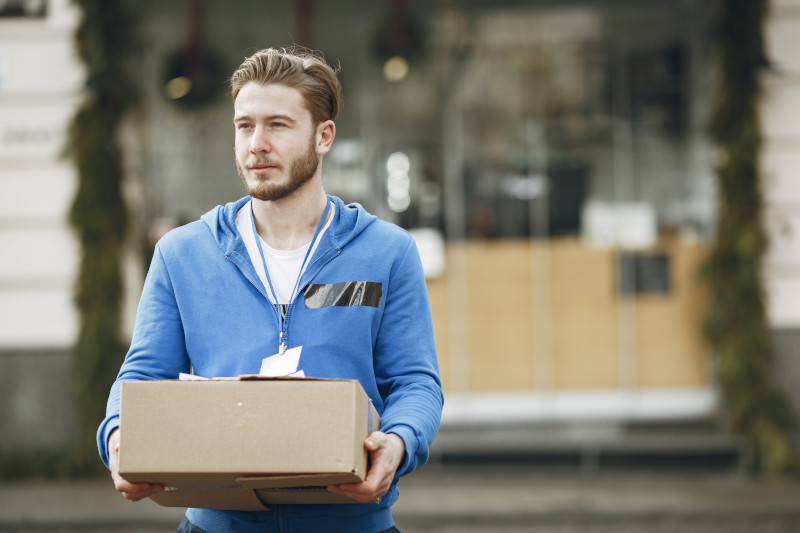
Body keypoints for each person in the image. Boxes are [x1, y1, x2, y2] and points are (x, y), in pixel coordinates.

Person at [97, 47, 443, 533]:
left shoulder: (387, 252)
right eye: (244, 126)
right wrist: (117, 437)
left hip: (351, 522)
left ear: (324, 136)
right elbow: (142, 377)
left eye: (278, 125)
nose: (256, 144)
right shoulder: (182, 254)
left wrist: (399, 442)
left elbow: (415, 382)